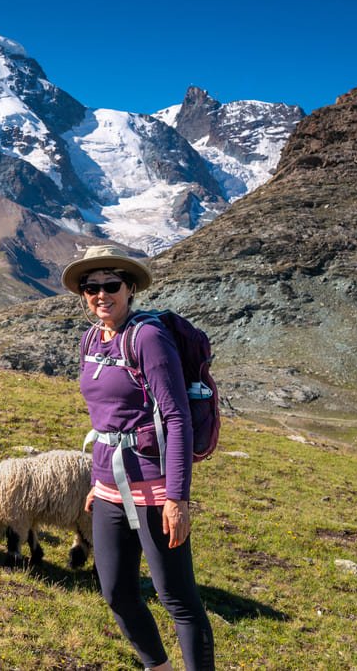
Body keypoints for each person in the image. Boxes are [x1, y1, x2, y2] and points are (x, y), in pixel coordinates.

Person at [61, 245, 215, 671]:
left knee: (177, 599)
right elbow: (104, 417)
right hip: (109, 487)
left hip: (155, 488)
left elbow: (177, 418)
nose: (101, 294)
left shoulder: (147, 337)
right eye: (91, 287)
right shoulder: (91, 339)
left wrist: (177, 498)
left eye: (111, 285)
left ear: (129, 288)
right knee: (116, 592)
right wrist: (95, 481)